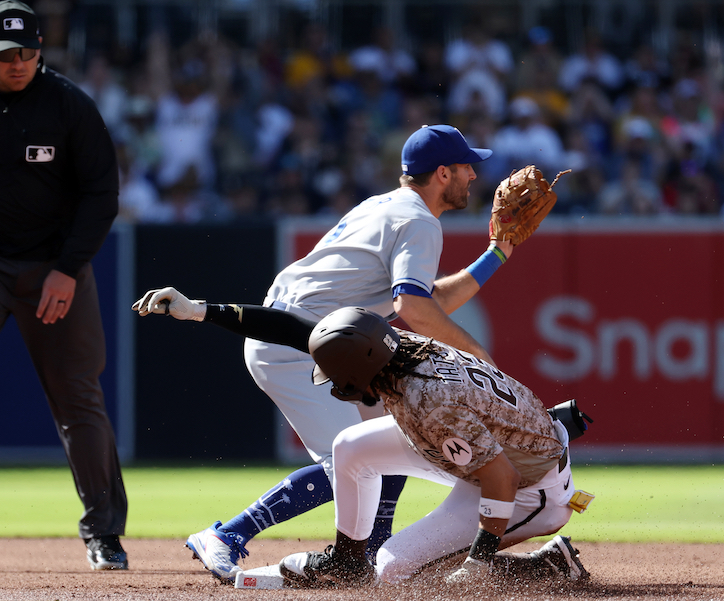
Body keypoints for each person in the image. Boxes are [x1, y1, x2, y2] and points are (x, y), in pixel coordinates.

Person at [173, 124, 520, 582]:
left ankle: (370, 553)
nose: (473, 176)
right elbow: (412, 308)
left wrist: (496, 254)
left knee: (393, 440)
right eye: (465, 167)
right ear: (442, 173)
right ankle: (228, 535)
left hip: (322, 340)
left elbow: (422, 299)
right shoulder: (417, 221)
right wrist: (477, 355)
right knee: (352, 461)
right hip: (298, 344)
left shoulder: (388, 206)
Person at [131, 292, 593, 587]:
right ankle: (347, 560)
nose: (332, 384)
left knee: (393, 570)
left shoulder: (426, 400)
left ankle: (542, 566)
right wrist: (201, 311)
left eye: (335, 376)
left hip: (528, 488)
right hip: (485, 450)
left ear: (358, 371)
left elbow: (500, 477)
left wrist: (478, 560)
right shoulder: (392, 347)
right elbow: (292, 328)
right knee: (350, 447)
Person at [0, 0, 127, 570]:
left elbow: (101, 194)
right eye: (7, 54)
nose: (19, 63)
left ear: (41, 51)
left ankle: (104, 533)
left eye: (29, 53)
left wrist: (68, 268)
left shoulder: (68, 106)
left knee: (77, 396)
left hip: (53, 264)